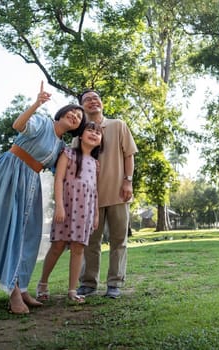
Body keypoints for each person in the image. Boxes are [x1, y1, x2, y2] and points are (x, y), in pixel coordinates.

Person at [0, 82, 85, 314]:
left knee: (29, 235)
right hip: (11, 172)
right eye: (73, 111)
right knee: (11, 229)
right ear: (62, 113)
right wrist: (36, 103)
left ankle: (21, 287)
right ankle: (13, 293)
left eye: (80, 117)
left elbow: (62, 173)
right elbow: (18, 125)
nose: (75, 116)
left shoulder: (61, 147)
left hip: (31, 181)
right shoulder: (42, 121)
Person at [76, 89, 137, 299]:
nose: (93, 101)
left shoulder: (118, 125)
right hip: (89, 198)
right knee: (90, 242)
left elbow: (129, 155)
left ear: (101, 102)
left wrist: (128, 182)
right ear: (82, 106)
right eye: (87, 100)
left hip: (119, 193)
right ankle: (88, 283)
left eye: (96, 98)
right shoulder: (80, 132)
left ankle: (115, 284)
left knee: (118, 240)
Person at [35, 119, 103, 303]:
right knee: (57, 246)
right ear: (81, 135)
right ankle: (42, 283)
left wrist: (96, 214)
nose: (94, 134)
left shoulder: (95, 164)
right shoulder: (68, 153)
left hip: (85, 211)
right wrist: (59, 205)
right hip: (66, 207)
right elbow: (58, 180)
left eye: (98, 132)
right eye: (90, 130)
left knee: (78, 249)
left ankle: (72, 290)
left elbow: (94, 190)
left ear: (100, 140)